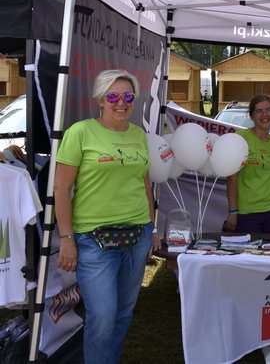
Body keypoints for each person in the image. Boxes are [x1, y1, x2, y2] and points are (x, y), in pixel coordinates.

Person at [54, 69, 159, 364]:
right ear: (100, 99)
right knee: (102, 315)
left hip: (137, 236)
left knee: (124, 313)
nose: (121, 102)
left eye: (128, 96)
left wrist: (152, 228)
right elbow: (62, 188)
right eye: (113, 96)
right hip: (94, 241)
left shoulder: (138, 135)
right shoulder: (81, 132)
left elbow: (144, 184)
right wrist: (66, 238)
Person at [224, 95, 270, 234]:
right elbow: (232, 179)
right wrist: (233, 212)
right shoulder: (240, 138)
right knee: (248, 254)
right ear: (251, 116)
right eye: (259, 111)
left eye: (268, 110)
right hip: (247, 212)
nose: (264, 115)